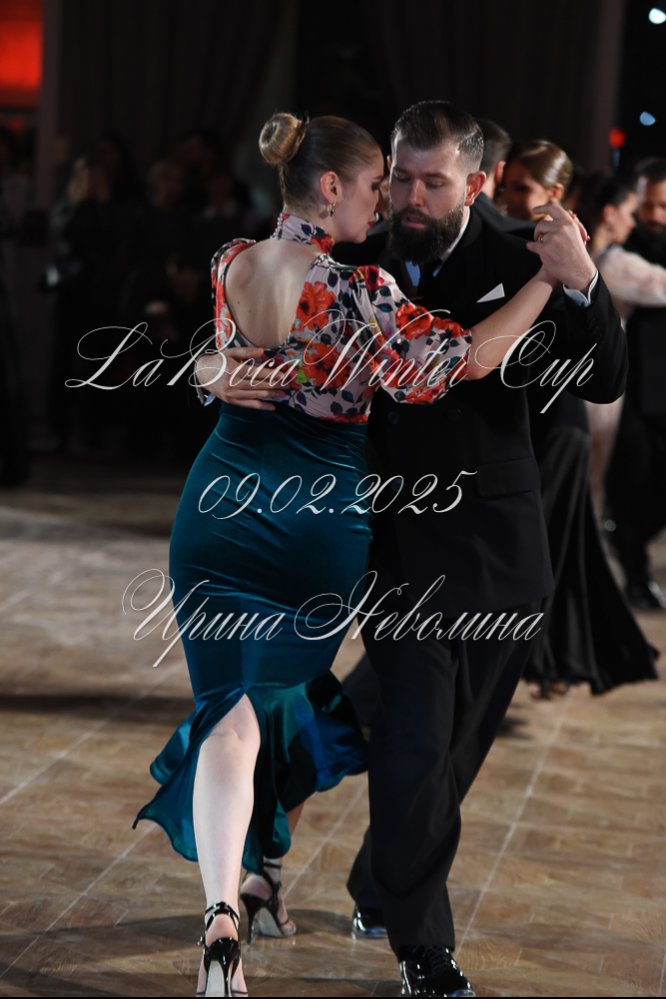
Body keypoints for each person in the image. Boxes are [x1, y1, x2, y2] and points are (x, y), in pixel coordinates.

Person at [204, 101, 626, 998]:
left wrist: (582, 279)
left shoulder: (521, 257)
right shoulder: (354, 249)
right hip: (388, 540)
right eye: (398, 176)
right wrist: (212, 370)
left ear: (477, 183)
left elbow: (604, 378)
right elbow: (259, 328)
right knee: (417, 740)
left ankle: (355, 865)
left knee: (445, 744)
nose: (409, 196)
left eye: (432, 181)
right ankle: (422, 946)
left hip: (500, 544)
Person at [604, 158, 666, 609]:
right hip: (629, 391)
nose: (654, 215)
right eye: (647, 205)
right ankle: (636, 576)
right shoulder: (620, 249)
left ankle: (623, 537)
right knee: (629, 485)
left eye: (663, 206)